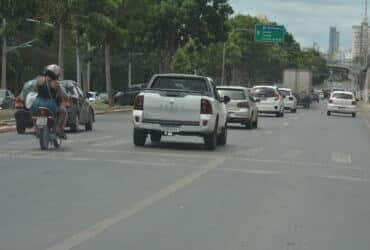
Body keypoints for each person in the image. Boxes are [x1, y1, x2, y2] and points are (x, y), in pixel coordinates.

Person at [31, 64, 68, 139]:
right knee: (63, 112)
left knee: (32, 112)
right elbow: (62, 94)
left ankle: (35, 127)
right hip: (49, 104)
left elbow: (34, 90)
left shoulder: (39, 80)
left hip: (37, 102)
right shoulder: (55, 83)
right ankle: (58, 128)